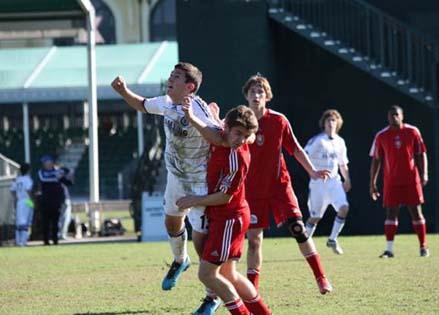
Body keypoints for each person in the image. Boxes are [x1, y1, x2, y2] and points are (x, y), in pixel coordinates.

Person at [111, 63, 221, 303]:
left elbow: (219, 138)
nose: (170, 79)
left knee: (202, 242)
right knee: (172, 222)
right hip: (176, 177)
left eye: (176, 77)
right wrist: (123, 91)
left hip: (200, 181)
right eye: (171, 75)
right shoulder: (166, 102)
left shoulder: (199, 109)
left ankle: (211, 297)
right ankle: (181, 260)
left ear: (189, 87)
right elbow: (141, 104)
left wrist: (216, 118)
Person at [177, 104, 271, 315]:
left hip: (229, 217)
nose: (241, 139)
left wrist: (194, 200)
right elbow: (211, 131)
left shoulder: (236, 158)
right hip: (232, 215)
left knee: (207, 274)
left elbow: (224, 197)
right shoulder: (223, 136)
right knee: (230, 274)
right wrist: (202, 117)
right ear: (226, 128)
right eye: (238, 133)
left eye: (245, 136)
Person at [242, 74, 332, 294]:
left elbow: (296, 149)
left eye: (260, 92)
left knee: (298, 229)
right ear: (246, 95)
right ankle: (252, 292)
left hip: (279, 186)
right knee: (254, 241)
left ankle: (321, 278)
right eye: (252, 91)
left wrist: (312, 171)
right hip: (252, 190)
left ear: (267, 97)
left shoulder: (279, 121)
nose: (256, 95)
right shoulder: (239, 121)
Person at [369, 105, 429, 258]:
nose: (393, 117)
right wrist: (372, 182)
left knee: (416, 213)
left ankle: (423, 247)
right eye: (391, 115)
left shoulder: (412, 131)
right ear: (387, 117)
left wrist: (424, 173)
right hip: (391, 181)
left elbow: (421, 153)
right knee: (391, 213)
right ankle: (389, 250)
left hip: (411, 179)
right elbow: (376, 160)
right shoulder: (381, 135)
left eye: (396, 114)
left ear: (402, 116)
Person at [304, 109, 351, 254]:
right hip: (318, 183)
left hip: (334, 182)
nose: (331, 123)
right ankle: (305, 244)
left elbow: (342, 164)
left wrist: (347, 179)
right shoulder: (318, 141)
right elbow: (304, 156)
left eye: (333, 120)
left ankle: (332, 239)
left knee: (344, 208)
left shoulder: (340, 142)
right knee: (315, 217)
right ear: (323, 124)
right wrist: (312, 172)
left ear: (338, 124)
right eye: (328, 120)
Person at [38, 155, 72, 245]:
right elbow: (44, 178)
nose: (46, 165)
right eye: (45, 163)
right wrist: (57, 176)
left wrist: (66, 174)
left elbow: (68, 182)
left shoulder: (58, 172)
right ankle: (46, 241)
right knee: (46, 222)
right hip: (45, 201)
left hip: (56, 202)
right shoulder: (42, 172)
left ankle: (55, 240)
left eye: (47, 162)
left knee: (55, 222)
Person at [10, 163, 34, 247]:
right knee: (26, 221)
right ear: (28, 170)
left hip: (19, 200)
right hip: (27, 200)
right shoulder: (28, 179)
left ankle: (18, 241)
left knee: (19, 221)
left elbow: (12, 190)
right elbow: (28, 190)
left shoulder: (17, 179)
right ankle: (23, 242)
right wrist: (32, 201)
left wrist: (15, 198)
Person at [58, 167, 74, 240]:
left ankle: (60, 233)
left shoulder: (50, 175)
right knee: (65, 218)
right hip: (63, 199)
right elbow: (70, 182)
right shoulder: (59, 176)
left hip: (57, 199)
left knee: (61, 218)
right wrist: (70, 173)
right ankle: (62, 234)